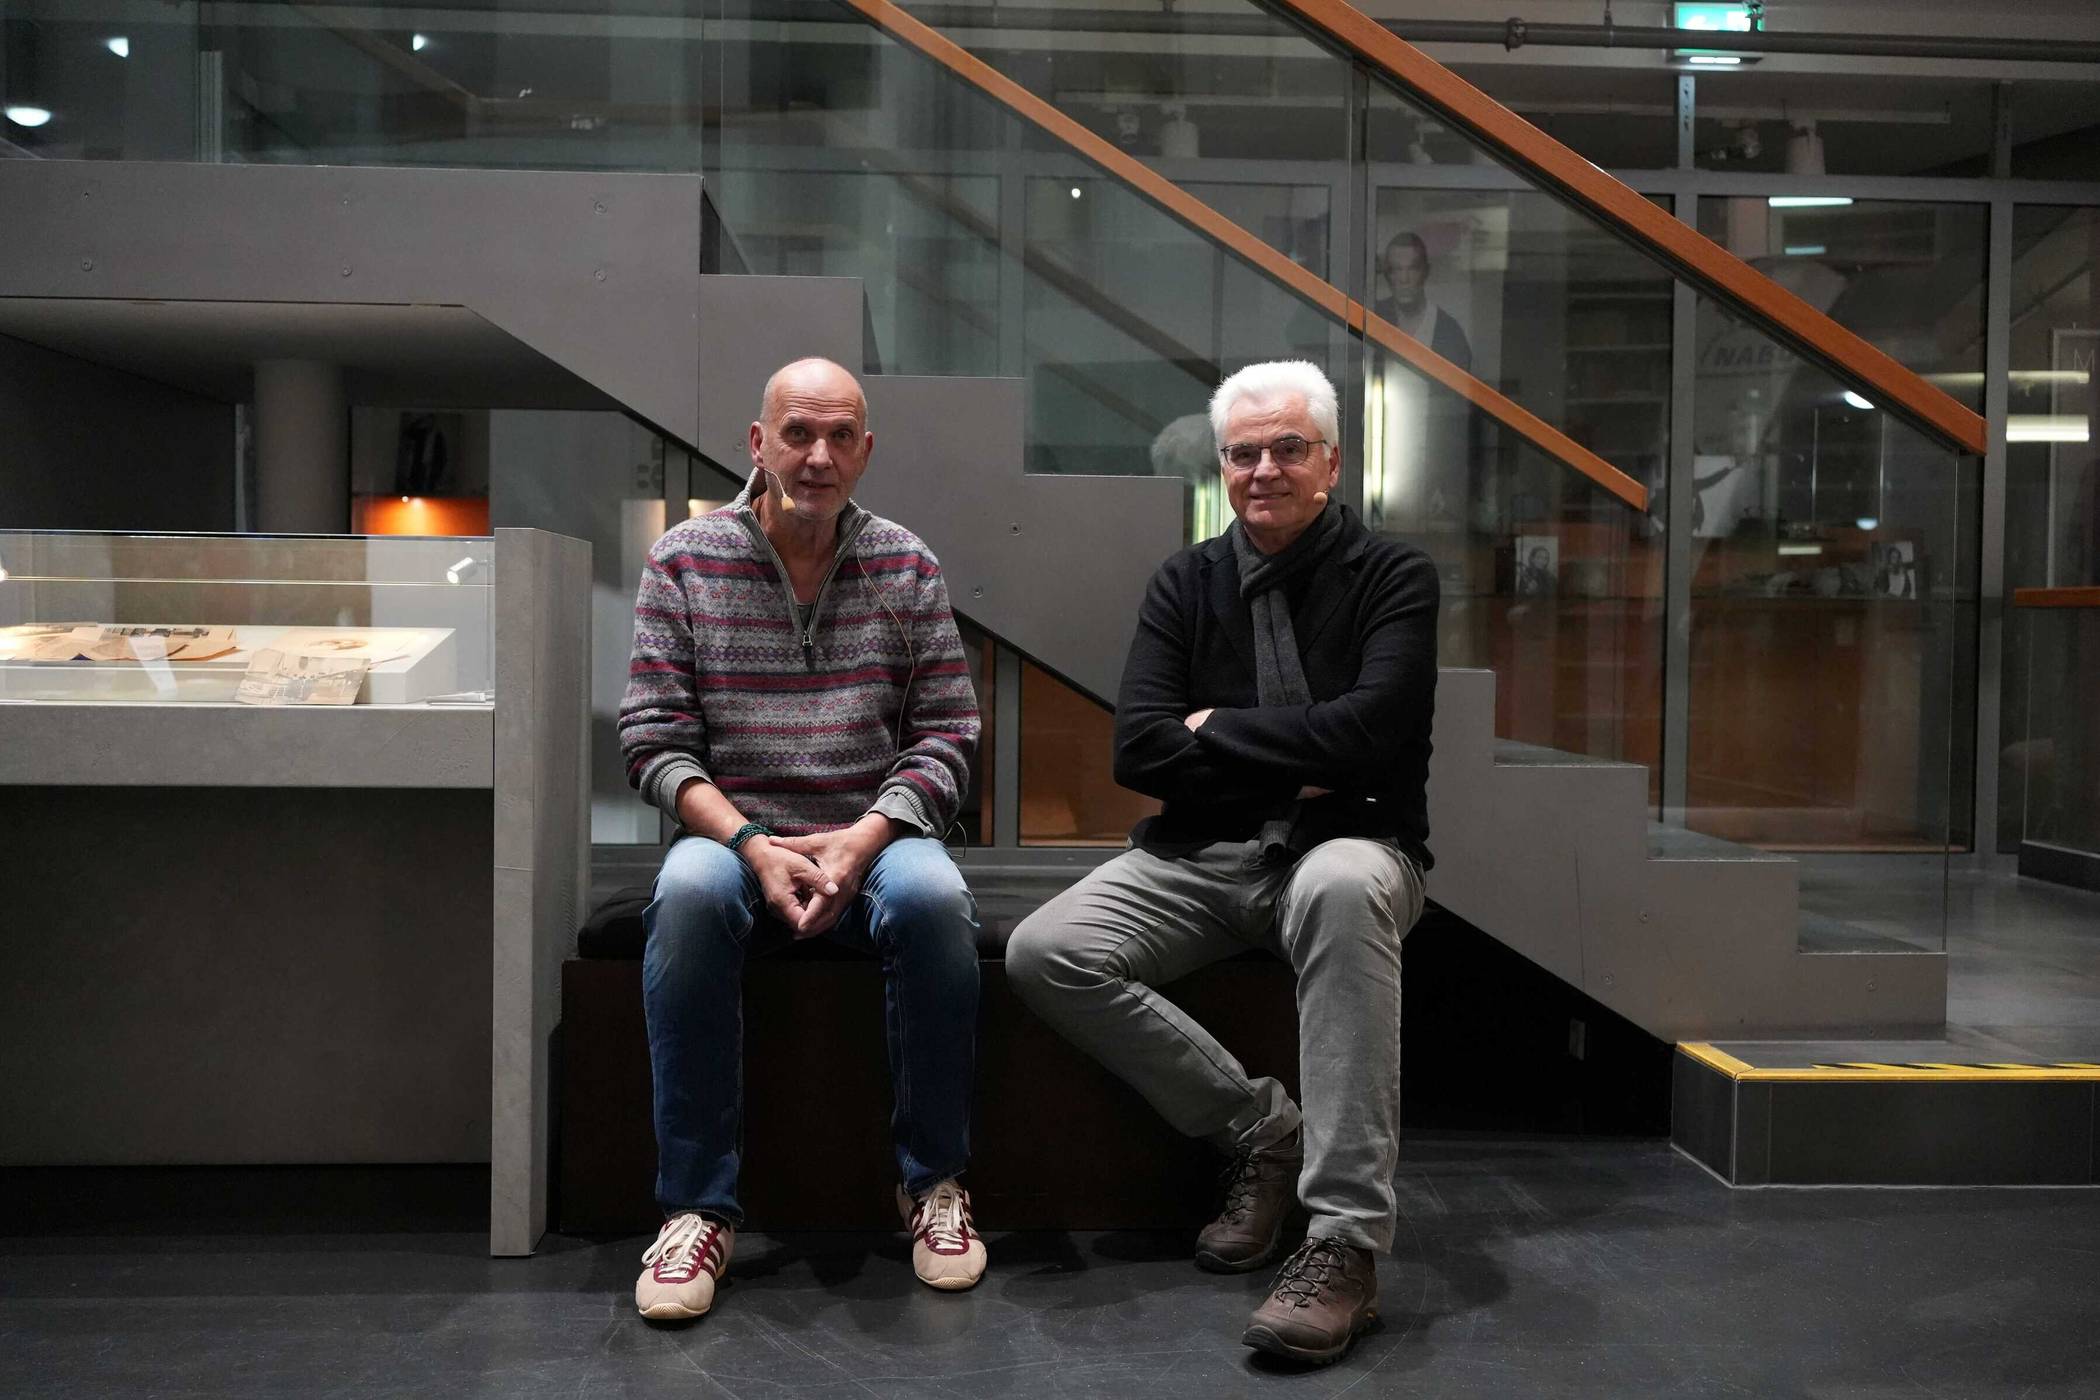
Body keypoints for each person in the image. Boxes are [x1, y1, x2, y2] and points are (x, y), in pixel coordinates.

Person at [1007, 360, 1438, 1366]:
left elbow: (1376, 737)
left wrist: (1221, 731)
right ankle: (1257, 1126)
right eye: (1244, 451)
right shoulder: (1185, 581)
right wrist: (1300, 746)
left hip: (1355, 845)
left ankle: (1343, 1244)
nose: (1262, 469)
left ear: (1331, 461)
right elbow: (1139, 749)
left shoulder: (1394, 578)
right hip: (1201, 854)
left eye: (1288, 448)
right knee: (1046, 948)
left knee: (1338, 889)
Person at [618, 356, 986, 1320]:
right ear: (758, 442)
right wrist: (750, 843)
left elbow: (949, 732)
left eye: (839, 438)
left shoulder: (907, 564)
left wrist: (865, 839)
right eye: (797, 434)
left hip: (874, 831)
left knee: (937, 900)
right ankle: (696, 1207)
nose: (817, 456)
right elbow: (652, 740)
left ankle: (933, 1185)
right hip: (735, 836)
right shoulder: (684, 560)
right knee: (690, 896)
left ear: (866, 451)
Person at [1371, 231, 1472, 373]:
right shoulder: (1373, 318)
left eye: (1412, 269)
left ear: (1426, 272)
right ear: (1388, 276)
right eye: (1396, 269)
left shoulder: (1450, 334)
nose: (1404, 279)